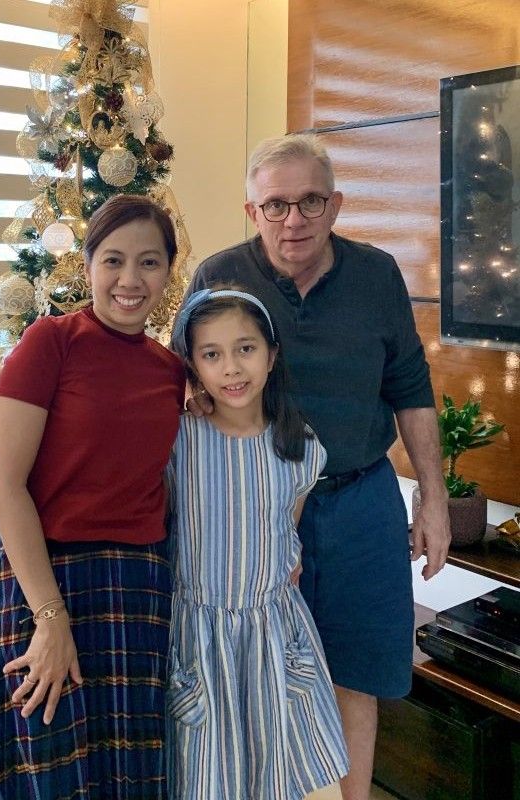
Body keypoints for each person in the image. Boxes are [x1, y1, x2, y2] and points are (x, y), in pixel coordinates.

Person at [182, 134, 451, 800]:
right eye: (276, 205)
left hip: (360, 502)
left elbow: (411, 388)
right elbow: (183, 395)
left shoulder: (377, 275)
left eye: (308, 202)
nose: (292, 220)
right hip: (254, 510)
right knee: (259, 671)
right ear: (252, 211)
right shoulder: (218, 277)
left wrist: (436, 501)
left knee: (355, 675)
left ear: (335, 205)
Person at [0, 195, 186, 799]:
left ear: (169, 271)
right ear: (87, 265)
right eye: (113, 260)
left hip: (137, 593)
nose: (129, 280)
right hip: (43, 581)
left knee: (132, 777)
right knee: (43, 769)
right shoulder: (51, 343)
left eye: (149, 263)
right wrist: (50, 619)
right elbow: (3, 483)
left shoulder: (172, 370)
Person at [166, 288, 349, 800]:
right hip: (201, 645)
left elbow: (285, 532)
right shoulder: (179, 442)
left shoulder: (301, 449)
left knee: (301, 776)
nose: (231, 368)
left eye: (245, 349)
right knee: (212, 778)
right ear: (193, 366)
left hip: (277, 639)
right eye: (212, 354)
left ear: (271, 354)